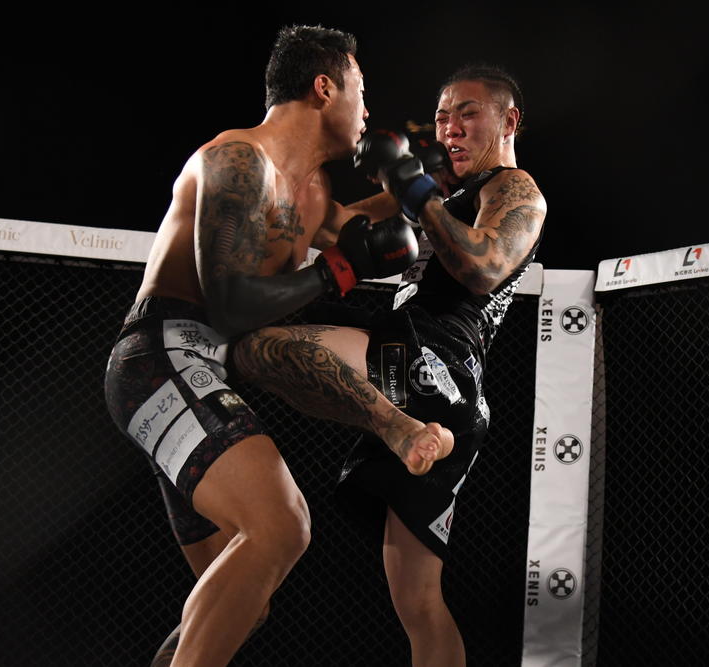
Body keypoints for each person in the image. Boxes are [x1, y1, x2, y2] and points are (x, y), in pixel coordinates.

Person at [104, 25, 453, 667]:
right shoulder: (237, 161)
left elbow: (380, 237)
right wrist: (338, 270)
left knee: (243, 599)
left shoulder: (314, 194)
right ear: (324, 87)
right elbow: (231, 302)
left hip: (202, 375)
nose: (368, 110)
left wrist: (416, 182)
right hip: (161, 358)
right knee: (281, 528)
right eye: (361, 90)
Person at [337, 64, 547, 666]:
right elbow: (332, 225)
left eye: (468, 113)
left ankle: (418, 431)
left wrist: (416, 191)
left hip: (436, 367)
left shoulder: (515, 189)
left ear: (509, 120)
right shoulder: (434, 191)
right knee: (417, 600)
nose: (450, 127)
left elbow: (484, 267)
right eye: (442, 116)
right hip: (412, 370)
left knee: (267, 345)